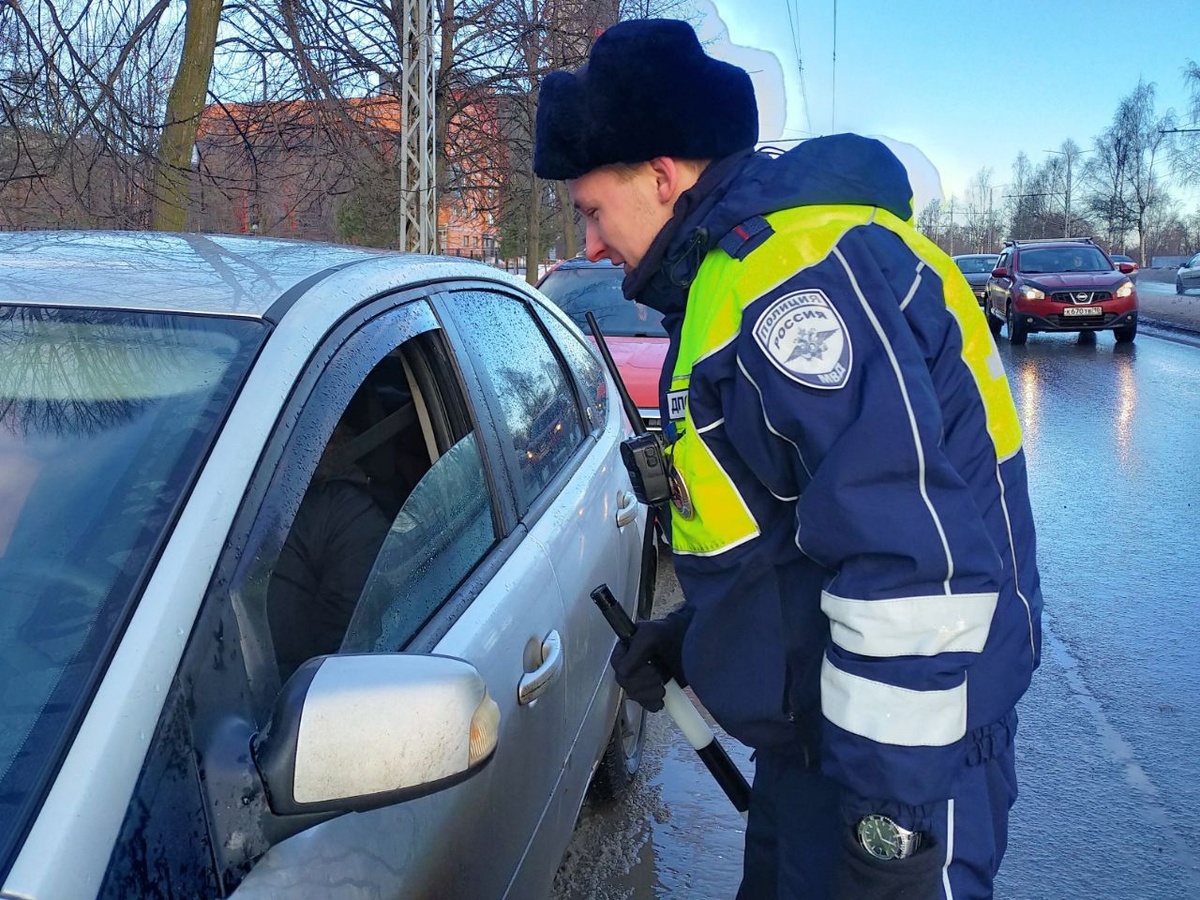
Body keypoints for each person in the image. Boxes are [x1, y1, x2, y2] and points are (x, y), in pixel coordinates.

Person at [533, 18, 1042, 900]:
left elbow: (911, 569)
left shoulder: (794, 285)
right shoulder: (732, 280)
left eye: (591, 211)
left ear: (660, 176)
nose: (587, 246)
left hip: (900, 767)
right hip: (821, 751)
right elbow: (802, 535)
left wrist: (890, 828)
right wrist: (696, 642)